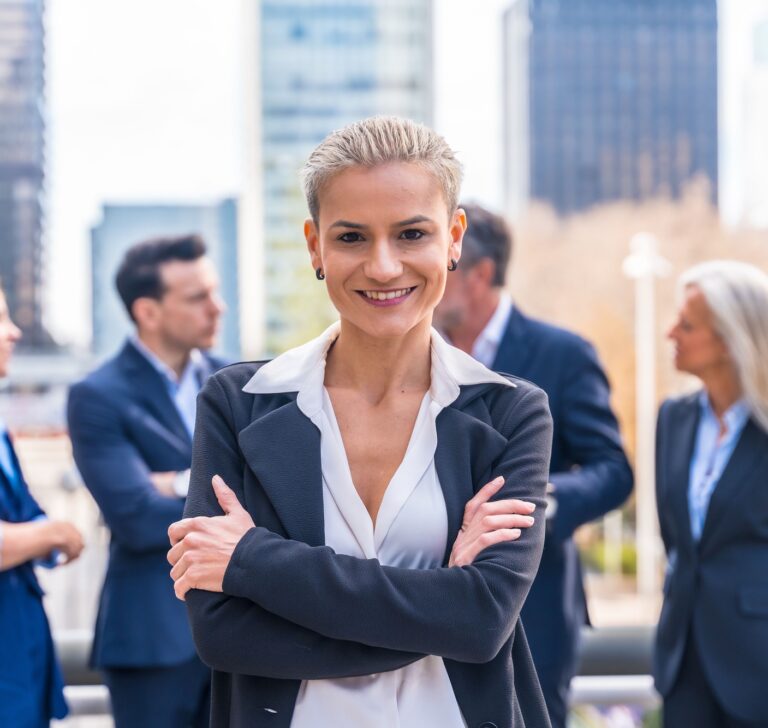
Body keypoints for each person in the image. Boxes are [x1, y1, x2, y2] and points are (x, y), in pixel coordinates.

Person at [167, 116, 554, 728]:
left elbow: (483, 622)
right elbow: (224, 635)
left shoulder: (508, 411)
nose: (382, 266)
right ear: (315, 244)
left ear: (453, 238)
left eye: (411, 234)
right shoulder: (240, 404)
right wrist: (441, 602)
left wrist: (252, 560)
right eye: (351, 237)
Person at [434, 203, 633, 728]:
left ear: (477, 274)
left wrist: (538, 502)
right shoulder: (417, 358)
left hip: (535, 607)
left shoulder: (564, 353)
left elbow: (613, 470)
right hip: (429, 601)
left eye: (441, 259)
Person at [67, 235, 226, 728]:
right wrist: (212, 488)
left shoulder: (238, 383)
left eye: (214, 292)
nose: (216, 308)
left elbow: (274, 494)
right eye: (197, 297)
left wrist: (172, 483)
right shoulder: (97, 395)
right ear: (148, 312)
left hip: (240, 633)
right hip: (150, 640)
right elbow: (135, 516)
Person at [654, 260, 768, 727]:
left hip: (759, 662)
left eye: (686, 324)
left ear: (728, 338)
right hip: (684, 662)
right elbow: (675, 538)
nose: (669, 333)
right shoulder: (673, 418)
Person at [0, 281, 84, 727]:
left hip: (21, 658)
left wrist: (42, 537)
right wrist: (51, 535)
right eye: (0, 320)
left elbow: (26, 511)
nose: (13, 333)